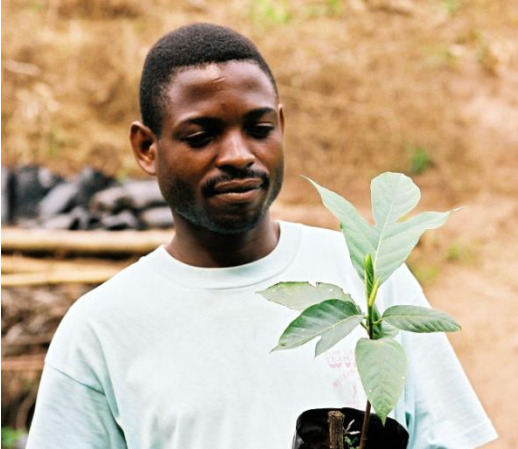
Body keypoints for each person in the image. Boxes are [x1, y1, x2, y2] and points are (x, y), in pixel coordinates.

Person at [26, 23, 497, 449]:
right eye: (201, 135)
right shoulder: (101, 329)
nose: (237, 154)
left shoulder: (365, 277)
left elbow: (449, 438)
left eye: (259, 129)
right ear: (147, 148)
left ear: (282, 126)